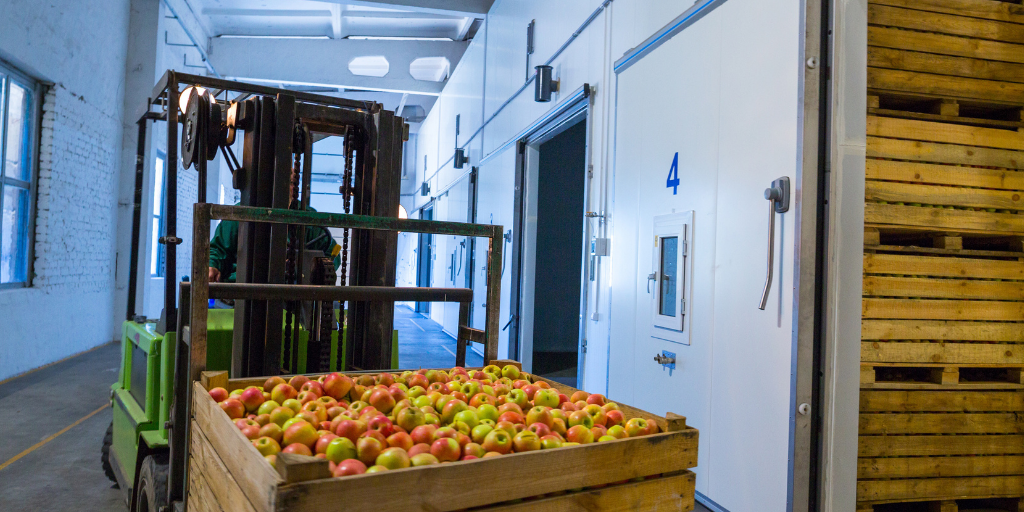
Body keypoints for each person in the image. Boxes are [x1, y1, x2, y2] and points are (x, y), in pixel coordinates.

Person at [208, 207, 343, 283]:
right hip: (240, 295)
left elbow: (333, 252)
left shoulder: (307, 219)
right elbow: (218, 249)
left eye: (290, 182)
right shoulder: (239, 216)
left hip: (293, 298)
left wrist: (310, 267)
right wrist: (212, 266)